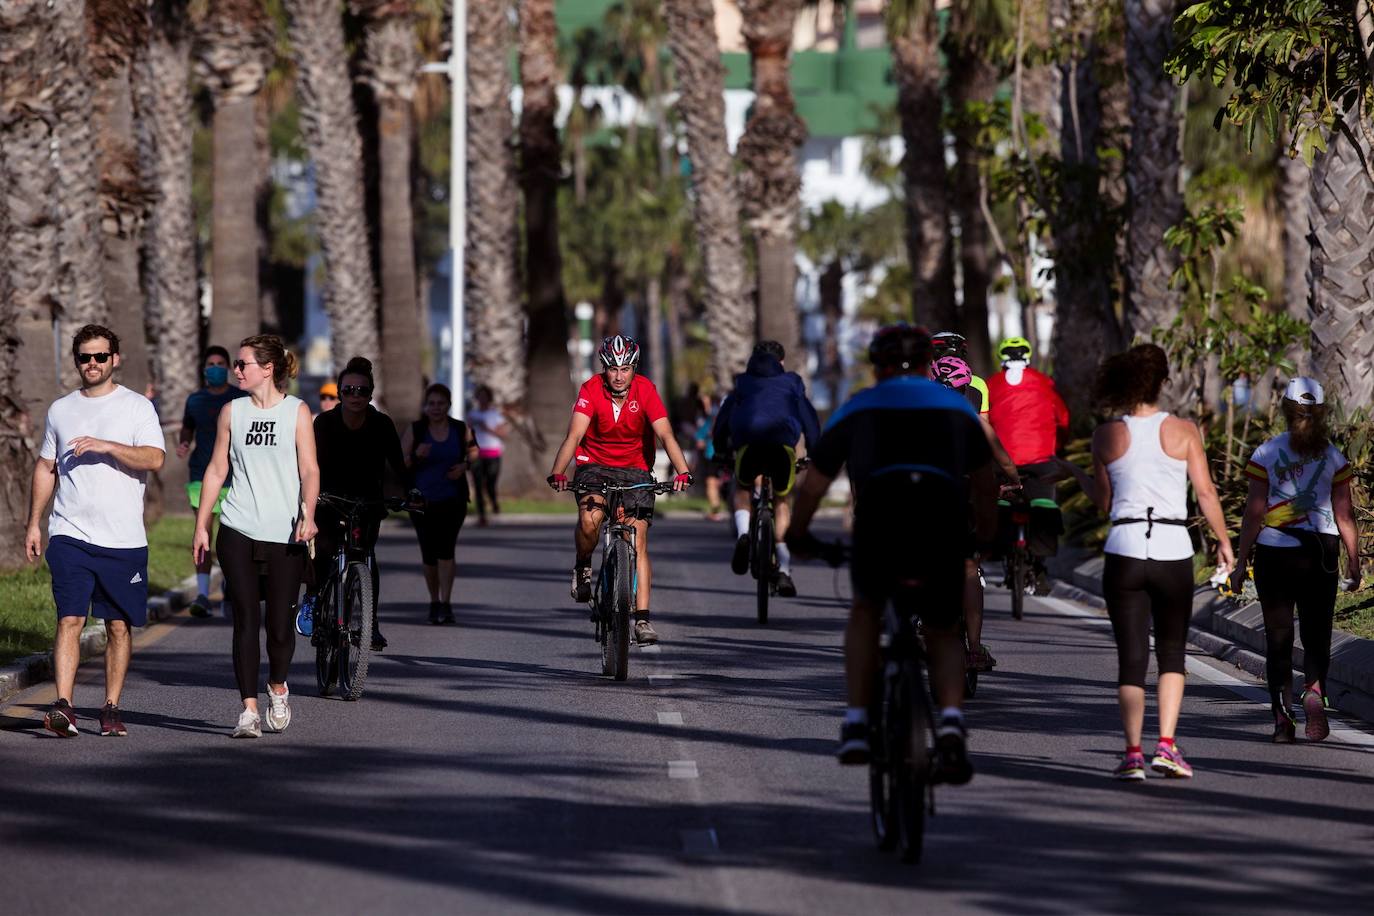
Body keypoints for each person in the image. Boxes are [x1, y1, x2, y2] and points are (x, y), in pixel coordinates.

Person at [787, 324, 997, 783]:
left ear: (878, 367)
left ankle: (859, 722)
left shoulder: (861, 404)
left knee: (865, 610)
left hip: (881, 524)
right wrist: (985, 535)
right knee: (943, 627)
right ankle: (952, 727)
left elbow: (816, 482)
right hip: (942, 524)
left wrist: (799, 534)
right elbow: (986, 479)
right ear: (927, 365)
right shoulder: (953, 405)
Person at [1054, 344, 1233, 779]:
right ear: (1162, 382)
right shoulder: (1185, 431)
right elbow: (1206, 493)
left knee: (1131, 657)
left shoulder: (1106, 436)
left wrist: (1072, 471)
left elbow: (1104, 502)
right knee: (1172, 653)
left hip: (1125, 547)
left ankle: (1133, 753)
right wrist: (1225, 543)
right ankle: (1166, 747)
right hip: (1173, 549)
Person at [25, 325, 166, 738]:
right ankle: (64, 706)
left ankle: (110, 707)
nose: (92, 364)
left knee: (118, 627)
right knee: (69, 618)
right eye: (85, 357)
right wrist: (35, 522)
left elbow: (155, 458)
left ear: (114, 359)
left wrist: (107, 446)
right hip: (70, 533)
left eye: (100, 357)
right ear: (76, 361)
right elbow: (45, 466)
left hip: (123, 539)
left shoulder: (136, 407)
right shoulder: (61, 410)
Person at [193, 334, 317, 739]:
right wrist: (202, 525)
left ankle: (277, 686)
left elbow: (310, 470)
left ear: (268, 368)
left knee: (279, 627)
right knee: (246, 619)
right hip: (238, 529)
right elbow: (215, 470)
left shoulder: (298, 412)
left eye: (243, 364)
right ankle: (248, 710)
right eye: (235, 364)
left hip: (284, 532)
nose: (236, 371)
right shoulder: (232, 412)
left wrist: (309, 514)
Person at [1229, 378, 1360, 743]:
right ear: (1321, 413)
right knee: (1316, 631)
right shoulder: (1334, 457)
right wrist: (1354, 559)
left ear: (1285, 409)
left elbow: (1254, 514)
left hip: (1276, 551)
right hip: (1321, 549)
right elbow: (1344, 514)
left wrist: (1241, 563)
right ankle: (1314, 691)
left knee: (1279, 636)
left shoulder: (1266, 454)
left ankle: (1282, 719)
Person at [548, 335, 694, 646]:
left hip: (635, 469)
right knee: (590, 520)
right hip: (594, 464)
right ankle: (583, 564)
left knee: (638, 540)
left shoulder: (646, 389)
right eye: (612, 369)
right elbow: (574, 435)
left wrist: (683, 471)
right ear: (604, 368)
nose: (618, 376)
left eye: (625, 369)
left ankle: (642, 619)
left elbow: (665, 433)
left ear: (634, 368)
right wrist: (558, 472)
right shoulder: (590, 389)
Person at [306, 357, 410, 651]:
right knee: (323, 551)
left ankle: (370, 624)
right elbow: (308, 464)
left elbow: (398, 466)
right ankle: (315, 602)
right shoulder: (324, 423)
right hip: (328, 499)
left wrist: (410, 490)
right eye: (348, 390)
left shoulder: (381, 424)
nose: (355, 396)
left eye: (362, 391)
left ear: (370, 393)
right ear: (339, 393)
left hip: (367, 502)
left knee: (366, 556)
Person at [711, 340, 821, 598]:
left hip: (748, 446)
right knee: (782, 499)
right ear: (780, 362)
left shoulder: (742, 383)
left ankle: (743, 533)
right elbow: (809, 419)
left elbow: (724, 420)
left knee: (743, 487)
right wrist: (814, 452)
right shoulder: (792, 382)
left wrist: (720, 450)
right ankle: (783, 568)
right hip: (781, 448)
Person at [986, 336, 1070, 594]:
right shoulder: (1045, 383)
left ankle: (999, 548)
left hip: (1003, 461)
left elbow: (983, 420)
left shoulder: (991, 384)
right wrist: (1059, 447)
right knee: (1044, 504)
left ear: (1001, 359)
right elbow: (1063, 419)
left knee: (999, 502)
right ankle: (1039, 563)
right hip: (1041, 459)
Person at [177, 346, 248, 617]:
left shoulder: (239, 398)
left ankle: (231, 590)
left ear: (229, 368)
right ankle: (204, 595)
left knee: (230, 540)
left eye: (220, 363)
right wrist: (184, 442)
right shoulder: (195, 400)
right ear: (204, 369)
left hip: (234, 479)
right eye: (211, 363)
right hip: (200, 476)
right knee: (203, 534)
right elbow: (187, 425)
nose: (215, 367)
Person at [403, 383, 479, 624]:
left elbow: (475, 450)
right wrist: (416, 456)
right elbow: (400, 461)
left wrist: (465, 466)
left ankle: (446, 603)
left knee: (446, 550)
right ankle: (433, 601)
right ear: (425, 406)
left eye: (440, 403)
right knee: (429, 552)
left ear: (449, 405)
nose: (436, 408)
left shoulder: (459, 428)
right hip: (421, 501)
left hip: (452, 499)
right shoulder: (416, 429)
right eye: (431, 403)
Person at [466, 384, 508, 526]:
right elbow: (466, 435)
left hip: (493, 453)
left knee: (490, 482)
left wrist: (486, 428)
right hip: (476, 454)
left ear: (489, 398)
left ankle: (494, 502)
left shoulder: (495, 414)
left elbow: (503, 434)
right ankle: (482, 516)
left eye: (485, 396)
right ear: (477, 398)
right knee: (477, 485)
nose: (482, 399)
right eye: (480, 396)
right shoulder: (472, 415)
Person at [695, 394, 726, 521]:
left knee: (711, 482)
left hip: (713, 453)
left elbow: (701, 437)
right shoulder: (714, 416)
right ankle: (716, 506)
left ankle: (715, 509)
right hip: (718, 453)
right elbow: (700, 436)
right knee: (714, 482)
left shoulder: (714, 416)